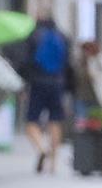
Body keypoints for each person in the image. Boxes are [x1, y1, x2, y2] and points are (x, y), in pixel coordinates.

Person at [22, 12, 71, 173]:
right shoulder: (62, 37)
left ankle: (42, 149)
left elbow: (26, 63)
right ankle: (54, 164)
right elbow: (68, 64)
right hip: (57, 84)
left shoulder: (34, 36)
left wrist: (25, 85)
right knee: (55, 121)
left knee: (31, 122)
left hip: (37, 83)